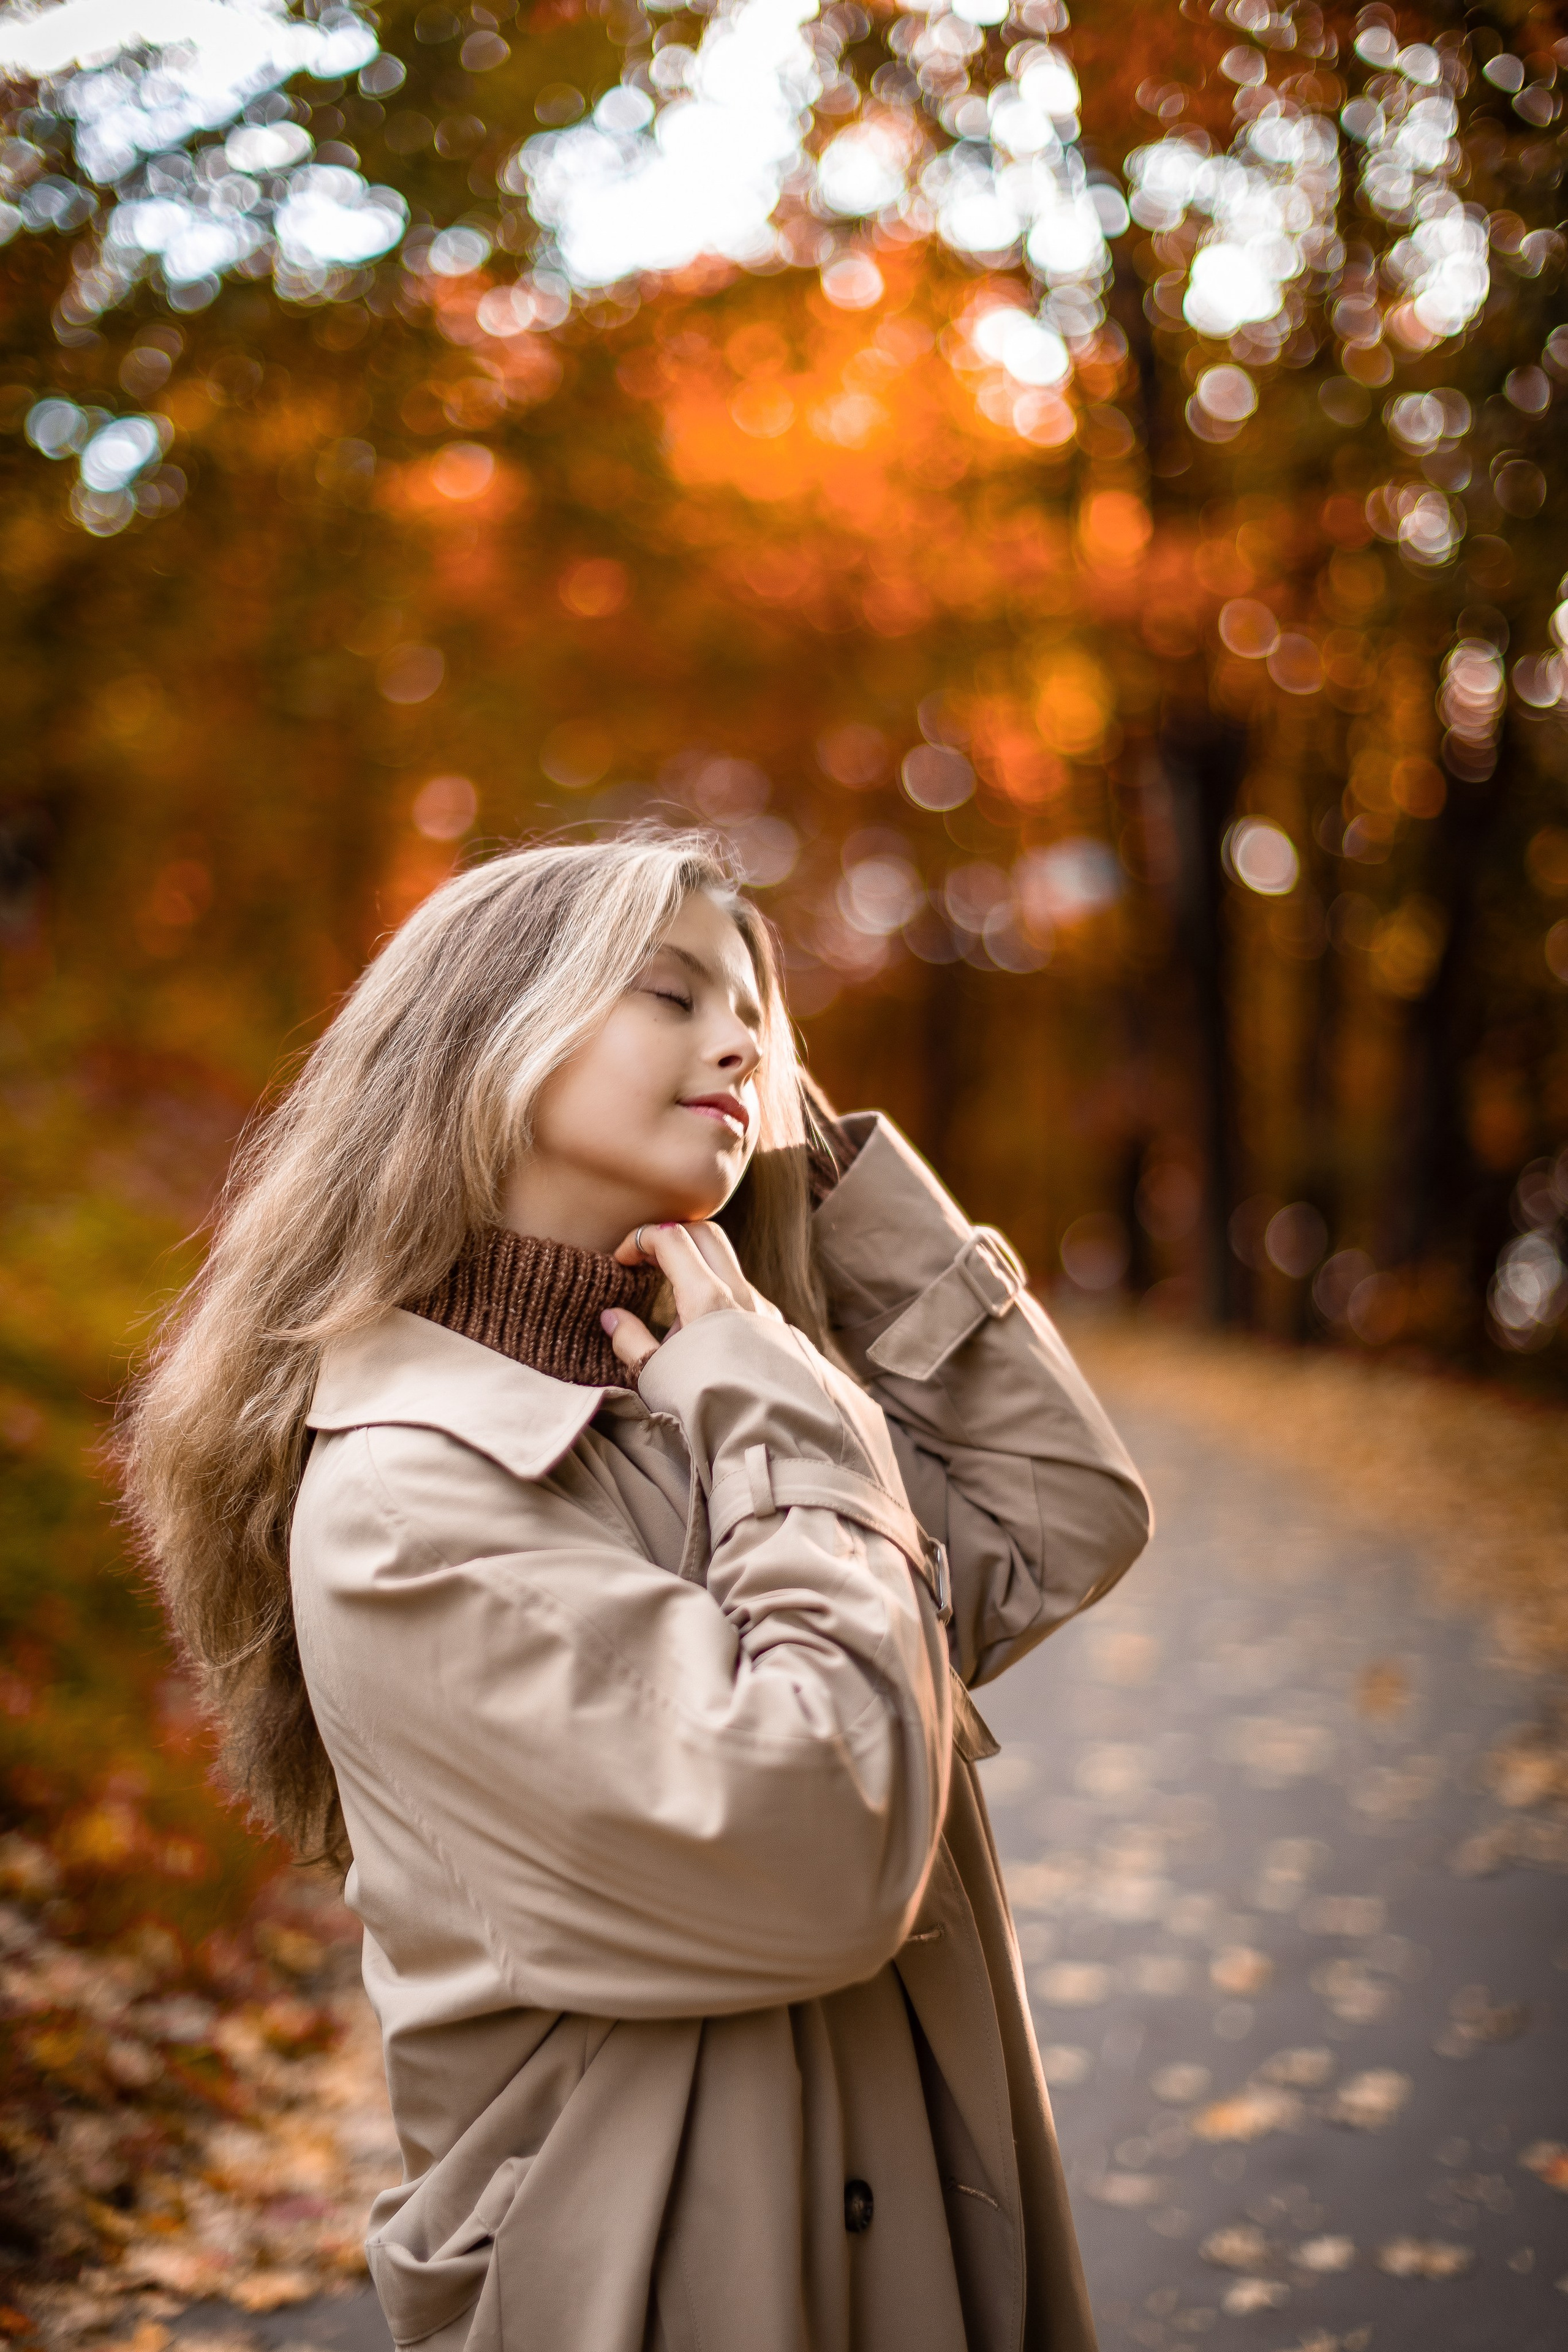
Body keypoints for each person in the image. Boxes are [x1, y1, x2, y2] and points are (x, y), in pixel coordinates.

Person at [123, 827, 1150, 2352]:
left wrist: (806, 1177)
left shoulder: (675, 1397)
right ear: (487, 1047)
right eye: (669, 994)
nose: (738, 1036)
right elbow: (822, 1850)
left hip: (917, 2240)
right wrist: (778, 1403)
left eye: (753, 1011)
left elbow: (1057, 1513)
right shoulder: (413, 1504)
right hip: (668, 2287)